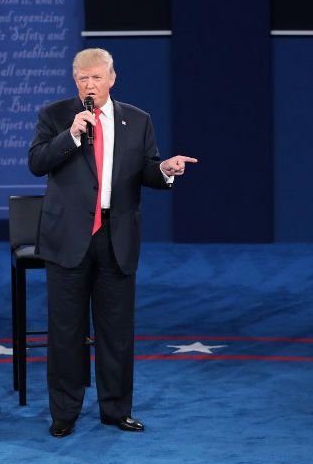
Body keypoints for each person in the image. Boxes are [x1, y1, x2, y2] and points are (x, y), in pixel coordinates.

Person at [28, 48, 197, 438]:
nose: (90, 85)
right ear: (75, 81)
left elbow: (148, 170)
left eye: (97, 78)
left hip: (116, 237)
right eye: (83, 78)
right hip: (69, 238)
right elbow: (37, 163)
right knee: (66, 331)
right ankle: (65, 413)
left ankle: (116, 409)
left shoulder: (137, 119)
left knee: (116, 332)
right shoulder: (55, 116)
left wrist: (166, 170)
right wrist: (70, 135)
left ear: (112, 78)